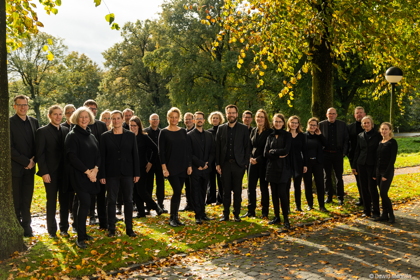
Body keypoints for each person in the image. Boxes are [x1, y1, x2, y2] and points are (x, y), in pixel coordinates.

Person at [99, 110, 140, 237]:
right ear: (110, 120)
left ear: (123, 119)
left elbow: (135, 155)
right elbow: (102, 157)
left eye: (118, 118)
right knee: (111, 200)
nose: (116, 121)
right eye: (113, 118)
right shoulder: (105, 136)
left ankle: (129, 228)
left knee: (128, 200)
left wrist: (136, 173)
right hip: (111, 173)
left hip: (127, 172)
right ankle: (111, 228)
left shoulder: (130, 135)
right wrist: (102, 175)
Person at [65, 107, 101, 249]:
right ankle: (80, 238)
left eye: (87, 116)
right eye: (81, 117)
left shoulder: (90, 135)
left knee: (85, 204)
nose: (84, 119)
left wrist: (96, 170)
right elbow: (71, 157)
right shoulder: (72, 135)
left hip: (92, 174)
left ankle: (84, 233)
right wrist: (88, 172)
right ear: (76, 118)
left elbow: (98, 154)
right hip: (79, 175)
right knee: (84, 203)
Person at [36, 105, 70, 238]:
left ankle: (64, 228)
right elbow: (40, 154)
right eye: (55, 114)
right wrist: (44, 172)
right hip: (50, 173)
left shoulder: (66, 130)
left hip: (64, 173)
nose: (58, 117)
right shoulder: (42, 131)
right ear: (49, 116)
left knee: (65, 201)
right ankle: (51, 230)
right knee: (51, 201)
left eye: (60, 114)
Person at [10, 95, 40, 237]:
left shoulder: (34, 122)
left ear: (28, 106)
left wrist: (33, 160)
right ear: (14, 106)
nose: (23, 107)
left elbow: (39, 144)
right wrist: (25, 161)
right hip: (16, 168)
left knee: (27, 199)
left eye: (25, 104)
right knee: (16, 200)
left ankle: (27, 228)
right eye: (19, 104)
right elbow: (9, 148)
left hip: (31, 167)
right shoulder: (9, 123)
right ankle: (17, 229)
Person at [216, 104, 250, 222]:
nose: (231, 115)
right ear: (226, 114)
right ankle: (225, 214)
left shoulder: (243, 129)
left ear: (237, 114)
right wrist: (218, 164)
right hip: (225, 164)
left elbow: (247, 147)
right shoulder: (221, 128)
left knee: (237, 191)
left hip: (238, 165)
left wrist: (245, 163)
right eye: (229, 113)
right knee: (225, 191)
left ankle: (236, 214)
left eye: (233, 113)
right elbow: (218, 147)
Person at [158, 107, 192, 227]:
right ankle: (172, 218)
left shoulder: (183, 131)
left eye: (176, 117)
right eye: (171, 117)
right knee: (177, 190)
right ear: (168, 118)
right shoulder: (164, 132)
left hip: (183, 166)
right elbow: (161, 152)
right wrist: (164, 168)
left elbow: (187, 150)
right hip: (171, 167)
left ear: (179, 118)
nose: (174, 119)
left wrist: (189, 165)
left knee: (178, 192)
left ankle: (176, 217)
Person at [129, 116, 164, 217]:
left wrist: (150, 162)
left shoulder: (144, 137)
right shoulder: (128, 136)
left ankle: (155, 206)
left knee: (141, 190)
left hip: (141, 167)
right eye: (131, 125)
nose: (132, 127)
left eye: (134, 125)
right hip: (130, 168)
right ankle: (141, 212)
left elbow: (155, 148)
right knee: (135, 191)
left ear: (139, 126)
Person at [242, 109, 272, 219]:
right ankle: (251, 211)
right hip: (252, 163)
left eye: (262, 117)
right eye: (258, 117)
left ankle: (265, 211)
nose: (259, 119)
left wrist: (258, 159)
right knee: (251, 187)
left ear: (265, 119)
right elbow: (249, 146)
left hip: (263, 163)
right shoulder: (253, 130)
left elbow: (268, 148)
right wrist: (250, 157)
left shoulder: (269, 132)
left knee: (264, 188)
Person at [83, 99, 108, 228]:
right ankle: (91, 215)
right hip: (86, 167)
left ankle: (104, 220)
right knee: (89, 194)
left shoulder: (102, 125)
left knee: (101, 194)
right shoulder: (81, 125)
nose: (92, 111)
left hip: (100, 165)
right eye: (89, 109)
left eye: (94, 109)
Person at [264, 113, 292, 229]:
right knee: (274, 194)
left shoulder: (287, 135)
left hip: (283, 168)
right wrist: (276, 154)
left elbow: (286, 151)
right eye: (276, 121)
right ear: (273, 123)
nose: (278, 124)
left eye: (280, 122)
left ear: (283, 123)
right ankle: (277, 217)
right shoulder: (270, 136)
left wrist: (273, 152)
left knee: (282, 194)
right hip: (271, 168)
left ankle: (286, 218)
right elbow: (265, 153)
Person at [188, 111, 215, 224]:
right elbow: (189, 153)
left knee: (204, 191)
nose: (199, 120)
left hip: (206, 169)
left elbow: (212, 151)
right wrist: (200, 164)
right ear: (194, 120)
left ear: (204, 121)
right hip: (195, 169)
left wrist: (207, 164)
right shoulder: (189, 135)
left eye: (201, 118)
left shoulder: (209, 135)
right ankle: (197, 215)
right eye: (197, 118)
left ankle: (203, 213)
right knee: (195, 191)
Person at [353, 116, 381, 218]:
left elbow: (379, 153)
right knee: (363, 188)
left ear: (372, 124)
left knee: (372, 188)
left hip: (372, 165)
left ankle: (376, 211)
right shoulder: (360, 135)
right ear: (362, 125)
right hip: (361, 164)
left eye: (368, 123)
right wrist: (354, 165)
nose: (366, 124)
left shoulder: (378, 136)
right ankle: (366, 210)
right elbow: (357, 151)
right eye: (364, 123)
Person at [319, 107, 349, 205]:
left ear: (336, 115)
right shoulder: (321, 125)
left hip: (338, 154)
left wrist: (343, 153)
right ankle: (329, 196)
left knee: (339, 177)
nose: (331, 115)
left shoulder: (342, 125)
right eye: (329, 113)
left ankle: (340, 197)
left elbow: (346, 140)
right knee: (326, 177)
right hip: (326, 154)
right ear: (326, 115)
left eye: (333, 113)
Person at [374, 122, 398, 223]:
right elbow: (377, 159)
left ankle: (391, 215)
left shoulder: (392, 142)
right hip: (379, 171)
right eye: (382, 129)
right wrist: (376, 174)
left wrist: (385, 174)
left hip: (387, 172)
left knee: (384, 193)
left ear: (390, 130)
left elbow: (392, 160)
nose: (384, 131)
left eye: (386, 129)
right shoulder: (380, 142)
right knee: (381, 194)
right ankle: (384, 215)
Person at [303, 118, 328, 212]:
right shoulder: (303, 136)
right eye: (311, 125)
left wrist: (320, 135)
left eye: (315, 125)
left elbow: (326, 144)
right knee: (308, 184)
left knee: (320, 184)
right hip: (307, 164)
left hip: (318, 163)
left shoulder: (318, 136)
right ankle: (310, 204)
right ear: (308, 125)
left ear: (317, 126)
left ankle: (322, 205)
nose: (313, 127)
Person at [144, 113, 167, 213]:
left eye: (156, 119)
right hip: (149, 163)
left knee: (160, 184)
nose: (155, 121)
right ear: (149, 121)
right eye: (153, 119)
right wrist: (147, 162)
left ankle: (161, 204)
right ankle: (149, 206)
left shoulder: (162, 132)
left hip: (159, 163)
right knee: (148, 185)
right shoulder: (145, 132)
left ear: (159, 121)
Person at [286, 115, 307, 212]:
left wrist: (305, 164)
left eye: (296, 123)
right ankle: (287, 207)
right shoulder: (285, 135)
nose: (294, 124)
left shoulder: (302, 135)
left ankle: (298, 206)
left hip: (298, 162)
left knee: (297, 185)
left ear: (298, 124)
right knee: (286, 186)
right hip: (286, 162)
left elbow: (305, 151)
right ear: (289, 123)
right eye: (292, 122)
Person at [347, 106, 366, 206]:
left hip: (367, 157)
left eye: (361, 112)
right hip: (354, 157)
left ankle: (369, 199)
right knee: (358, 179)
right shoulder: (350, 127)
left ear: (365, 114)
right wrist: (347, 153)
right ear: (354, 115)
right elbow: (346, 141)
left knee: (368, 179)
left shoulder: (371, 126)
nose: (359, 114)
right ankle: (362, 198)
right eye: (357, 113)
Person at [206, 111, 225, 205]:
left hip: (220, 159)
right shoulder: (208, 132)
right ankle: (210, 199)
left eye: (217, 118)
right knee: (211, 180)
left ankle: (221, 199)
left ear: (220, 120)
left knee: (221, 180)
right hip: (210, 159)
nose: (215, 119)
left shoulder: (223, 131)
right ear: (211, 119)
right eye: (213, 118)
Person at [181, 112, 195, 212]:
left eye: (189, 119)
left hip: (194, 163)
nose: (188, 121)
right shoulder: (182, 132)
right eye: (186, 119)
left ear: (193, 120)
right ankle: (189, 203)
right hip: (184, 163)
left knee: (194, 185)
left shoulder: (196, 132)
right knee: (187, 185)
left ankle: (195, 204)